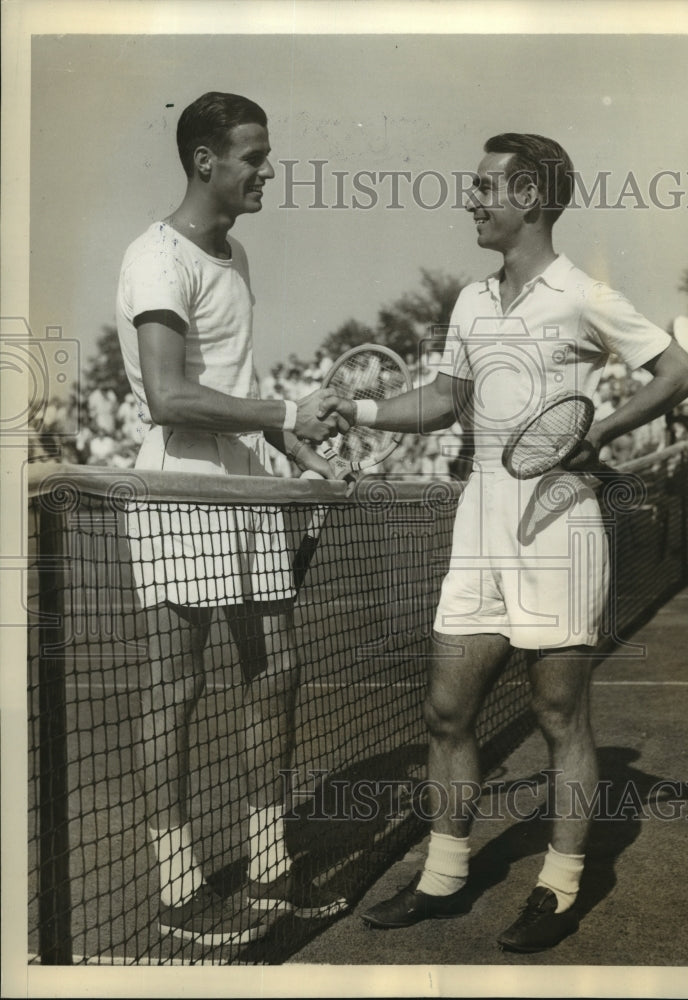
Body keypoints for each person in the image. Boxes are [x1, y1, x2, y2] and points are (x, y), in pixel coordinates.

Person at [331, 133, 688, 951]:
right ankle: (443, 878)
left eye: (484, 186)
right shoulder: (469, 301)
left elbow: (679, 374)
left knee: (559, 713)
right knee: (446, 709)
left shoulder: (583, 294)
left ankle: (561, 886)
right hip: (481, 525)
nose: (469, 199)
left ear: (530, 196)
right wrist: (355, 410)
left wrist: (598, 433)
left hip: (560, 527)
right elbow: (441, 401)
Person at [115, 92, 348, 948]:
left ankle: (267, 862)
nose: (266, 170)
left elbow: (235, 385)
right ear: (206, 160)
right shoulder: (154, 259)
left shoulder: (235, 254)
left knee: (275, 669)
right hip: (180, 484)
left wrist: (302, 456)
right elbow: (172, 395)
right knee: (176, 686)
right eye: (253, 156)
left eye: (267, 153)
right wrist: (287, 417)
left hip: (249, 485)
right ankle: (177, 878)